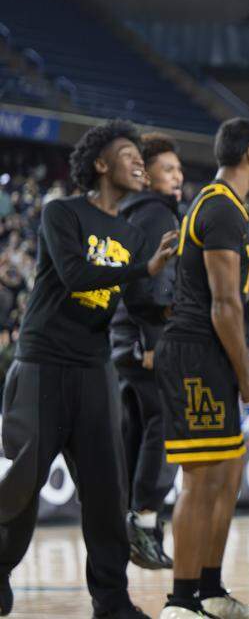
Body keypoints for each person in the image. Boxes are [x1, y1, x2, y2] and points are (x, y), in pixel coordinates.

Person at [0, 119, 178, 618]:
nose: (139, 161)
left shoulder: (132, 234)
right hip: (42, 362)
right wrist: (143, 270)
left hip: (94, 367)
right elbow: (76, 274)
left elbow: (140, 302)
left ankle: (112, 601)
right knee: (20, 485)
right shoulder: (62, 212)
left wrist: (176, 310)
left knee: (106, 493)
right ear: (101, 164)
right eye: (129, 154)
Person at [157, 118, 249, 619]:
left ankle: (209, 590)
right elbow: (224, 305)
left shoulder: (227, 207)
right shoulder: (222, 209)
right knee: (202, 478)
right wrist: (246, 374)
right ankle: (180, 601)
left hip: (208, 353)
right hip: (196, 354)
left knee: (227, 475)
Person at [110, 132, 184, 571]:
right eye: (169, 169)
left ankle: (135, 527)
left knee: (136, 431)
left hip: (121, 337)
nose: (177, 177)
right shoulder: (157, 212)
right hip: (145, 335)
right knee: (167, 424)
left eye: (178, 169)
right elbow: (148, 284)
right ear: (146, 173)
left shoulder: (127, 210)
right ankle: (144, 520)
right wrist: (155, 341)